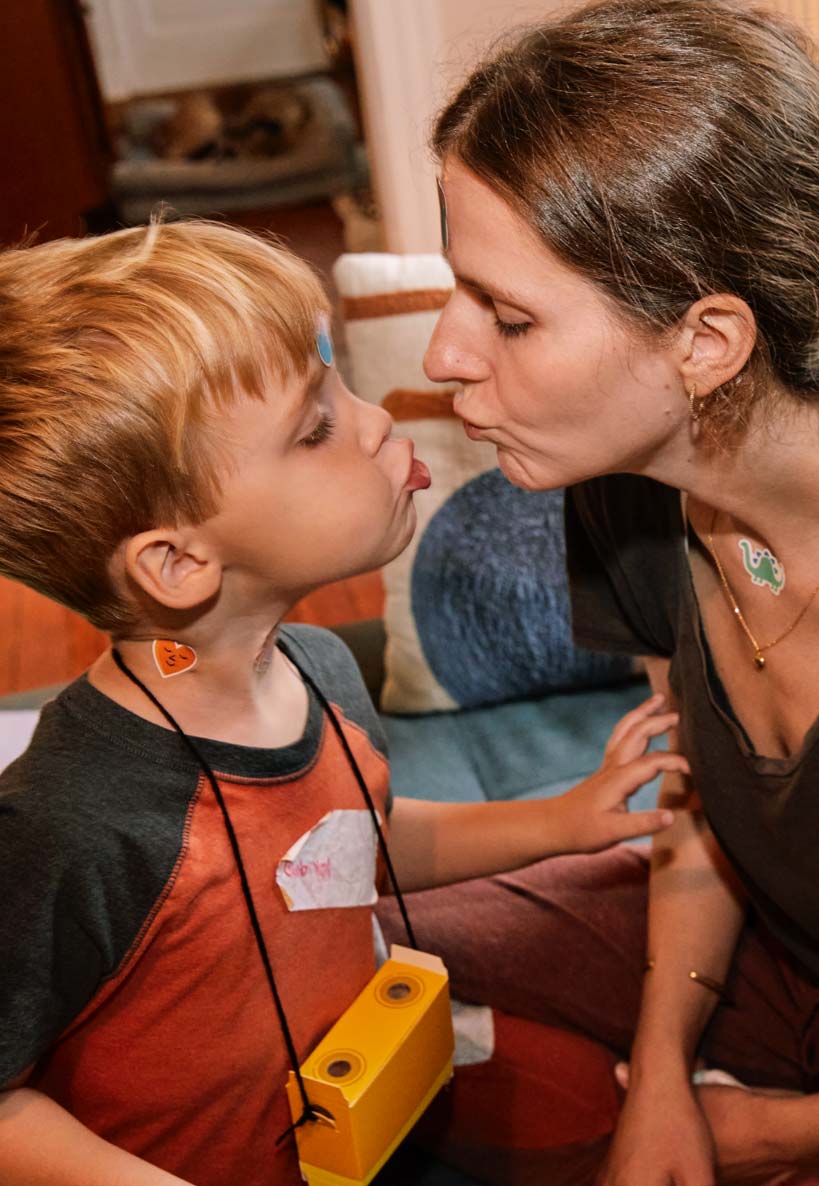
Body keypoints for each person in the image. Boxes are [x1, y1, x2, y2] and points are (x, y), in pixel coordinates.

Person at [0, 218, 684, 1186]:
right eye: (314, 426)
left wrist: (561, 820)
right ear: (177, 562)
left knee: (592, 1096)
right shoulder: (75, 822)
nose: (371, 422)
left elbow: (342, 847)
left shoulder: (318, 665)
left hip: (371, 1115)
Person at [387, 0, 819, 1183]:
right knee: (338, 957)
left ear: (705, 343)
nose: (443, 356)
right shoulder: (629, 478)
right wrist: (662, 1073)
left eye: (508, 315)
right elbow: (701, 812)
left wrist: (777, 1131)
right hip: (766, 962)